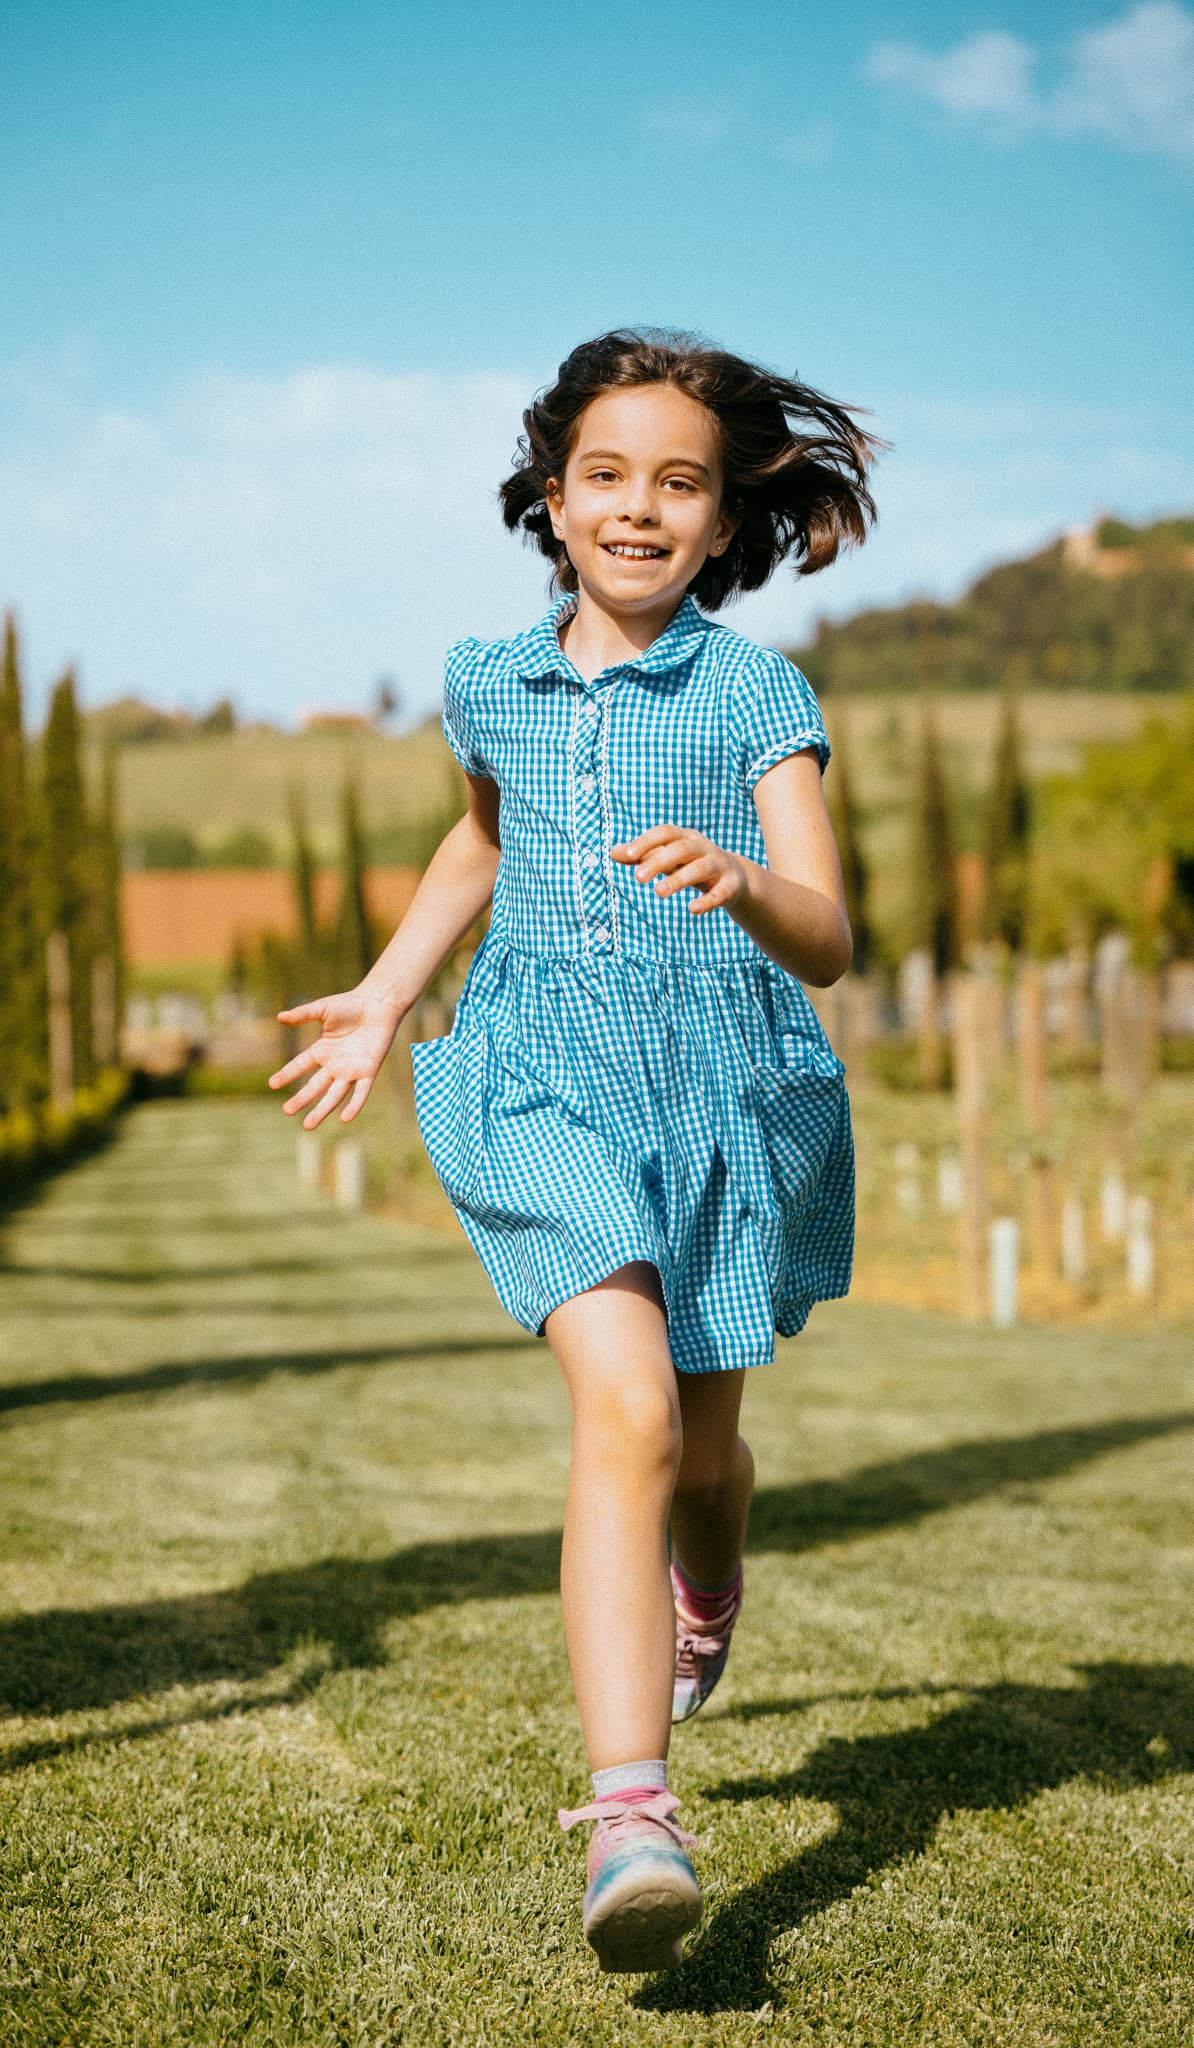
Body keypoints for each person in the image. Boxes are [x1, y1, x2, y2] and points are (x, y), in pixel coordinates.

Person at [269, 326, 880, 1975]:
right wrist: (390, 998)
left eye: (676, 482)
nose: (635, 507)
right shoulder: (489, 677)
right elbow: (482, 838)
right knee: (620, 1407)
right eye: (603, 475)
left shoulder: (757, 692)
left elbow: (829, 935)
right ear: (551, 498)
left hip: (723, 1093)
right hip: (539, 1077)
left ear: (723, 516)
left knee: (697, 1451)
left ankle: (706, 1588)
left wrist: (745, 879)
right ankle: (631, 1816)